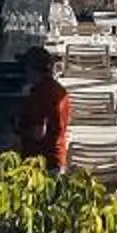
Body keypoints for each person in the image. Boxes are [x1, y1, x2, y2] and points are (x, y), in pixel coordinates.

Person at [13, 44, 73, 173]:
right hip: (58, 157)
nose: (24, 71)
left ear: (32, 69)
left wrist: (16, 128)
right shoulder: (58, 89)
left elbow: (37, 133)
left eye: (26, 67)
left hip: (41, 163)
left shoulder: (40, 94)